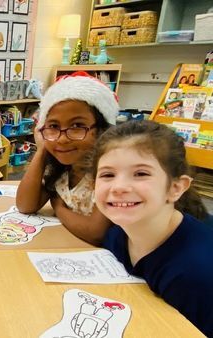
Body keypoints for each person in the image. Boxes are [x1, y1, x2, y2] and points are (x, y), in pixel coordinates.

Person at [93, 120, 212, 337]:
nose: (118, 187)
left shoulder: (196, 274)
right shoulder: (117, 235)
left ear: (176, 188)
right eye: (108, 175)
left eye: (141, 174)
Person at [16, 72, 119, 245]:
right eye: (53, 126)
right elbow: (25, 205)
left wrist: (58, 208)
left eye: (77, 126)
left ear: (101, 130)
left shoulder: (109, 174)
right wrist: (42, 149)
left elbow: (95, 232)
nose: (62, 138)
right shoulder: (61, 170)